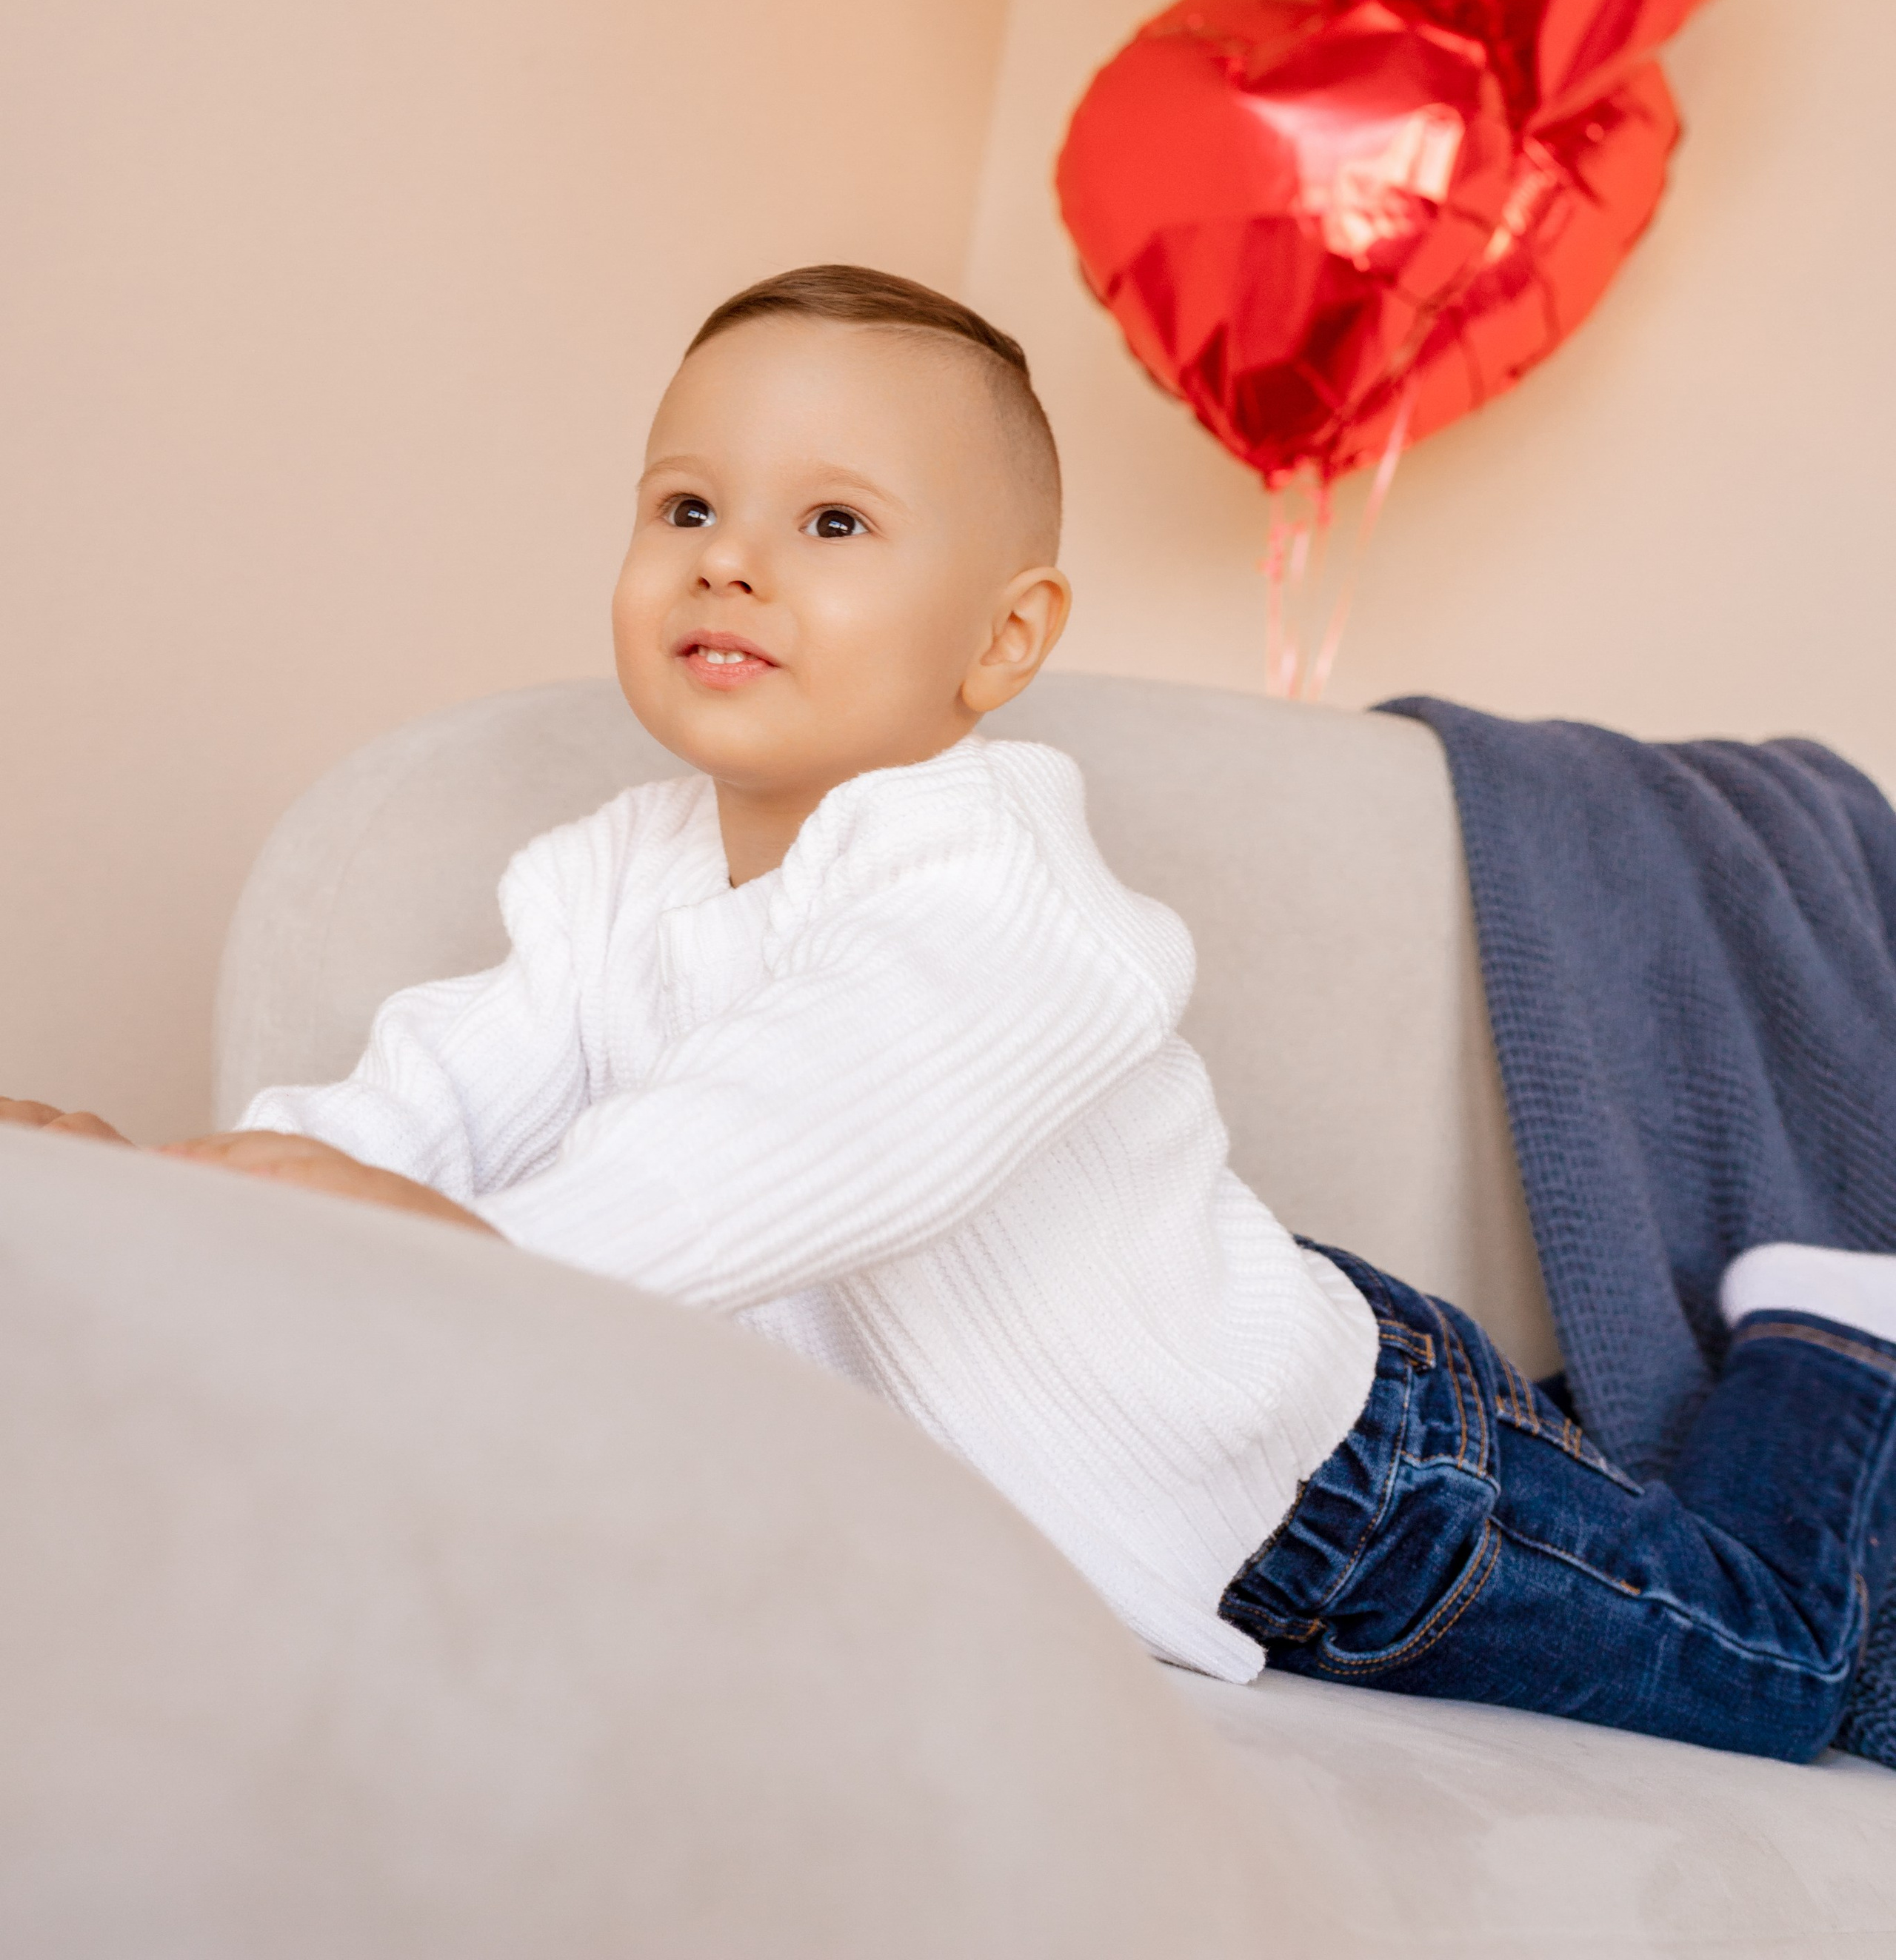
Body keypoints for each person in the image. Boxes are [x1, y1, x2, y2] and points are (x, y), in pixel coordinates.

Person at [8, 263, 1895, 1754]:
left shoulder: (993, 883)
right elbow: (426, 1100)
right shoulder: (606, 878)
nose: (728, 556)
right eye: (685, 503)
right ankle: (1592, 1415)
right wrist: (189, 1201)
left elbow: (801, 1129)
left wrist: (478, 1261)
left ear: (1003, 641)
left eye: (831, 524)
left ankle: (1823, 1328)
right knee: (1638, 1536)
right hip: (1225, 1353)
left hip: (1339, 1491)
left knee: (1776, 1656)